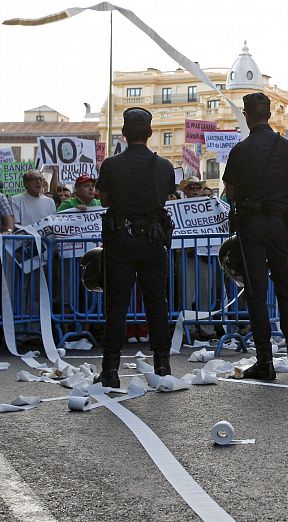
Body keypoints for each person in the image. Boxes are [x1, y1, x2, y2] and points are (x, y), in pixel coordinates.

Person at [223, 92, 288, 381]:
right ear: (269, 114)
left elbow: (230, 193)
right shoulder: (287, 148)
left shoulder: (240, 151)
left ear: (246, 114)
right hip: (279, 224)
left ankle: (265, 361)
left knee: (256, 294)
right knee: (286, 290)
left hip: (251, 225)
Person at [94, 107, 174, 387]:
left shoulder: (111, 165)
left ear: (124, 134)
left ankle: (110, 370)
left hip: (121, 240)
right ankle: (162, 365)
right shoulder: (164, 166)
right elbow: (164, 196)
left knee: (116, 306)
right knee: (157, 304)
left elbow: (104, 200)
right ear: (150, 133)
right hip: (153, 241)